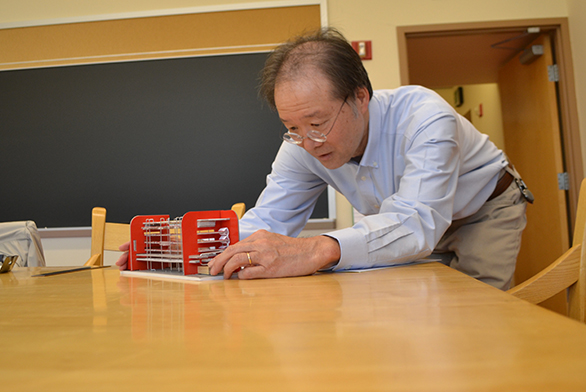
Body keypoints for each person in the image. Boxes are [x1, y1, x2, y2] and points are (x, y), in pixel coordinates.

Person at [117, 27, 530, 290]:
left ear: (360, 98)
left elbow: (416, 222)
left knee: (480, 315)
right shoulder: (300, 143)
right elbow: (269, 221)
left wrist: (314, 250)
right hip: (410, 222)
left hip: (481, 209)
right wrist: (178, 249)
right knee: (415, 304)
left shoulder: (426, 117)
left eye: (317, 123)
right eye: (292, 127)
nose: (308, 142)